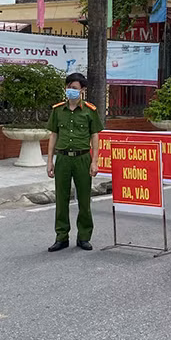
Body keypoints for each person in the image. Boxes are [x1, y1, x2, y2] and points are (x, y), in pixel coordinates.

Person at [46, 73, 103, 253]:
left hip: (82, 158)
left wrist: (94, 161)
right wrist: (49, 161)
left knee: (84, 199)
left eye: (75, 88)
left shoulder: (90, 111)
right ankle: (61, 237)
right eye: (69, 87)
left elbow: (95, 136)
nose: (71, 91)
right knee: (61, 200)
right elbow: (53, 135)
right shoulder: (57, 110)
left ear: (83, 91)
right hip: (62, 158)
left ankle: (84, 237)